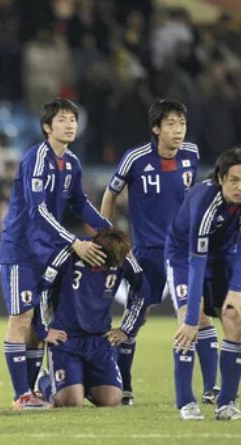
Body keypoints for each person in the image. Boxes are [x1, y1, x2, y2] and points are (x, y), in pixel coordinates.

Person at [0, 97, 111, 410]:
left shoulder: (72, 163)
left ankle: (32, 391)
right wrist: (72, 241)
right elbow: (38, 210)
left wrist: (107, 229)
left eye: (73, 120)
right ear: (47, 127)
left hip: (47, 250)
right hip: (22, 250)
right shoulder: (36, 158)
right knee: (20, 319)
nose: (69, 124)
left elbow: (79, 203)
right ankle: (21, 395)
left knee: (38, 323)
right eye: (62, 120)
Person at [100, 99, 203, 406]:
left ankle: (208, 388)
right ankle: (125, 385)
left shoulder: (192, 155)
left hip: (182, 251)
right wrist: (108, 235)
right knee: (136, 315)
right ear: (156, 128)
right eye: (171, 124)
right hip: (146, 252)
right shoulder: (136, 158)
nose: (178, 130)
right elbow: (111, 193)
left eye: (182, 124)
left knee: (197, 315)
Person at [165, 147, 241, 420]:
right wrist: (190, 318)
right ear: (221, 178)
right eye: (235, 180)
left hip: (224, 256)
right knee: (192, 319)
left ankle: (227, 404)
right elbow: (196, 259)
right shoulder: (204, 201)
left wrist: (236, 288)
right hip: (184, 257)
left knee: (236, 319)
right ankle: (186, 402)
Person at [35, 228, 150, 407]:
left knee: (111, 401)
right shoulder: (69, 251)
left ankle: (80, 382)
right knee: (71, 403)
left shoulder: (121, 256)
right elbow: (43, 287)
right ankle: (45, 382)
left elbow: (142, 289)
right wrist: (43, 330)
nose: (109, 268)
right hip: (67, 340)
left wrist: (126, 329)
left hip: (100, 340)